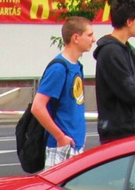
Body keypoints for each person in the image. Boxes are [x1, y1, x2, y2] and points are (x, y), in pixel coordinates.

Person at [32, 15, 94, 169]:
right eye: (90, 35)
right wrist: (60, 137)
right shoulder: (59, 68)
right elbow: (38, 107)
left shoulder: (77, 66)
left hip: (75, 145)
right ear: (76, 38)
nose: (93, 39)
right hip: (62, 147)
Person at [93, 0, 135, 142]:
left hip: (132, 132)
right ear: (129, 21)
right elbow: (131, 93)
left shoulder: (129, 49)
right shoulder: (111, 52)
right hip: (117, 133)